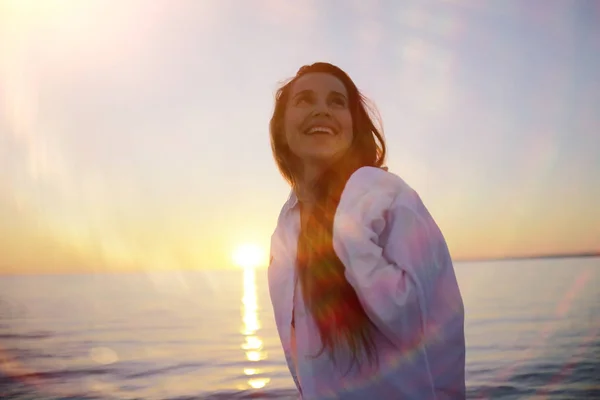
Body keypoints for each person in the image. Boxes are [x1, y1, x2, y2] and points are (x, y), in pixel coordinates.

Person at [267, 62, 466, 399]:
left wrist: (351, 236)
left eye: (336, 102)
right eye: (304, 100)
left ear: (352, 125)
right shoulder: (287, 225)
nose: (321, 110)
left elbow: (418, 327)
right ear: (282, 128)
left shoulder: (383, 196)